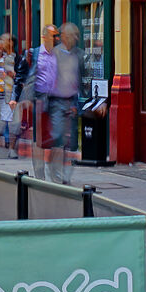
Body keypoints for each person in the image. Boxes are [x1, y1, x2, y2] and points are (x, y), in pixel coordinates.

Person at [36, 23, 86, 182]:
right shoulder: (54, 54)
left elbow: (82, 80)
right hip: (56, 101)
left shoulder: (79, 55)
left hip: (72, 101)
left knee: (69, 141)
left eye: (76, 35)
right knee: (58, 135)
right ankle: (54, 169)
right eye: (71, 35)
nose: (74, 38)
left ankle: (63, 174)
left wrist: (78, 103)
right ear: (64, 36)